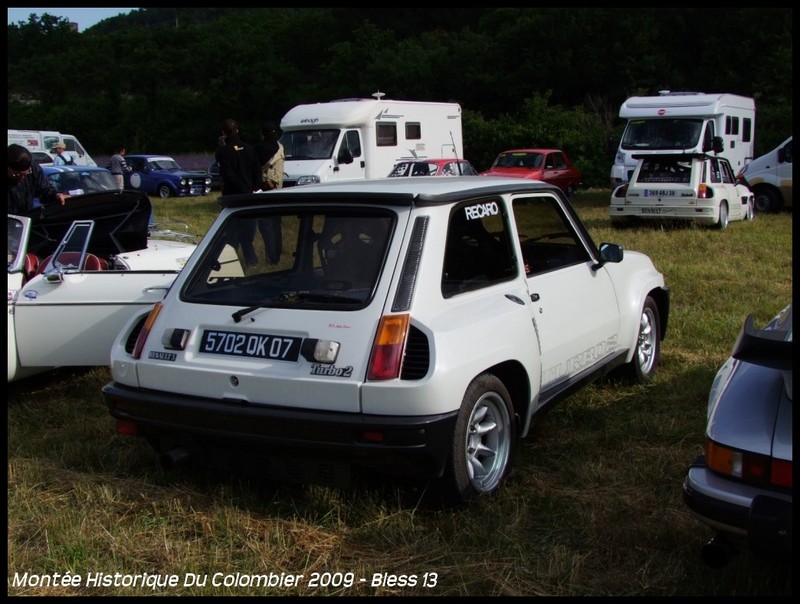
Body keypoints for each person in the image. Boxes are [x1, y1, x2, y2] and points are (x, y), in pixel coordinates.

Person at [215, 119, 261, 266]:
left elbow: (228, 174)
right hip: (249, 194)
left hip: (232, 195)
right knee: (247, 230)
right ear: (238, 131)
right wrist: (253, 188)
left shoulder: (223, 151)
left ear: (224, 133)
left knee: (231, 231)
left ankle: (229, 261)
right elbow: (257, 171)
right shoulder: (249, 148)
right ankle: (250, 259)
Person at [8, 144, 68, 216]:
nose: (22, 177)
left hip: (26, 217)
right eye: (17, 174)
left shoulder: (34, 169)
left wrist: (56, 195)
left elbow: (44, 190)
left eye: (26, 173)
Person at [254, 121, 284, 263]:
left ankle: (271, 257)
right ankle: (278, 253)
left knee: (265, 226)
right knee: (276, 225)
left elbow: (255, 168)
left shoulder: (259, 148)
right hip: (278, 189)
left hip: (264, 189)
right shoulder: (280, 147)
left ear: (263, 134)